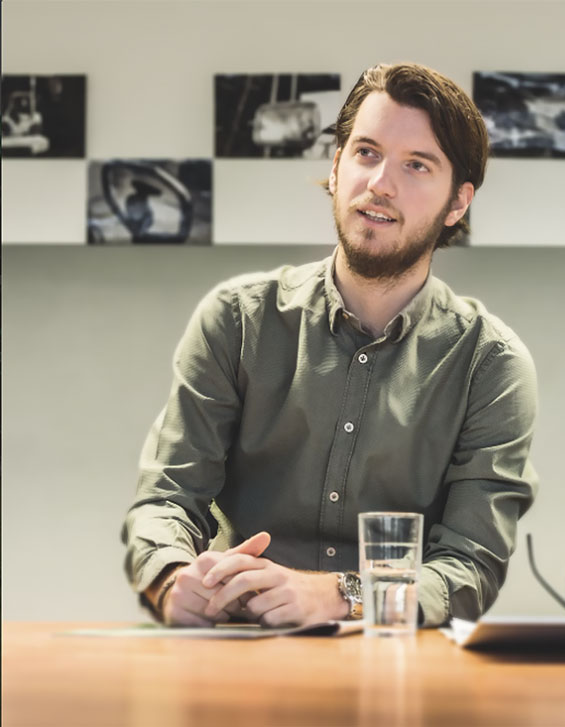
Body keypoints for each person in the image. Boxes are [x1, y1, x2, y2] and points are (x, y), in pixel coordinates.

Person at [122, 62, 539, 629]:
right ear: (337, 166)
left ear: (458, 203)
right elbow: (167, 497)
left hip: (399, 662)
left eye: (417, 165)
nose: (381, 183)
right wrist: (174, 581)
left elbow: (471, 566)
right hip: (242, 649)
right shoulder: (236, 320)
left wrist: (344, 595)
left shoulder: (491, 364)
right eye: (367, 152)